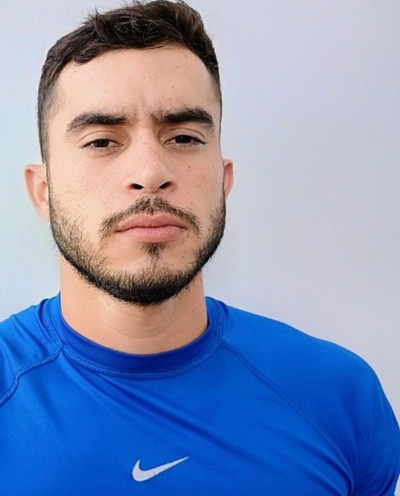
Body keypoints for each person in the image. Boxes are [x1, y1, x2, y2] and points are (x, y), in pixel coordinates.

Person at [1, 1, 399, 494]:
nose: (150, 173)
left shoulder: (339, 396)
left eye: (184, 137)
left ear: (223, 180)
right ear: (43, 191)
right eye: (102, 141)